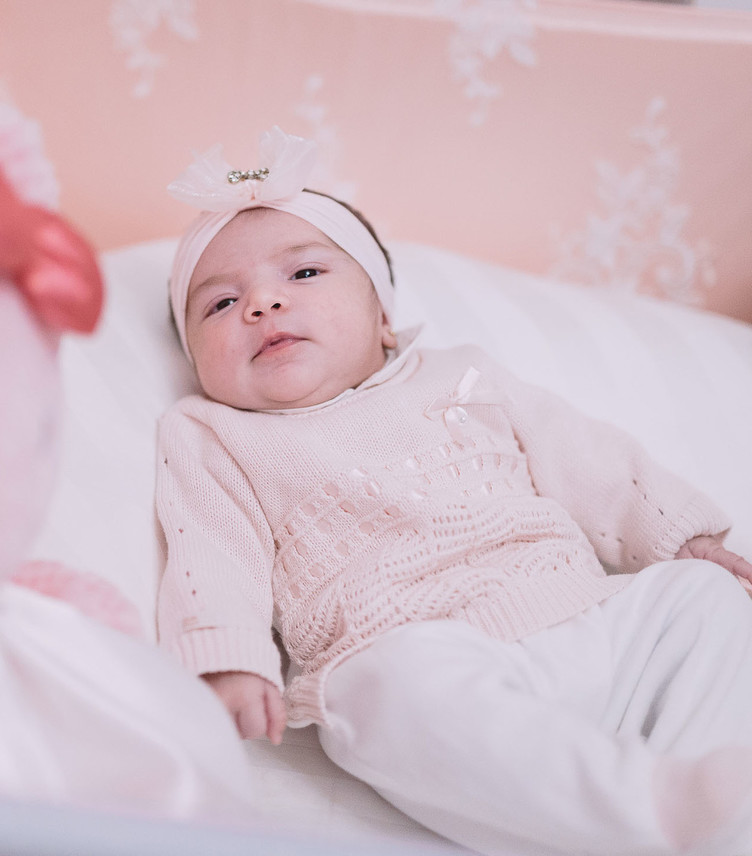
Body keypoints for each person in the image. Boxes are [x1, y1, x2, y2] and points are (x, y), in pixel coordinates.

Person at [155, 127, 752, 856]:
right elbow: (210, 553)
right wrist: (228, 659)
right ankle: (644, 813)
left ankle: (710, 804)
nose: (263, 305)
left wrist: (682, 537)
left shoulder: (462, 375)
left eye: (304, 275)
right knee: (380, 689)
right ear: (194, 362)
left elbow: (585, 457)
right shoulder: (215, 435)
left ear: (381, 316)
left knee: (702, 600)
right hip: (421, 655)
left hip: (586, 618)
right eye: (220, 304)